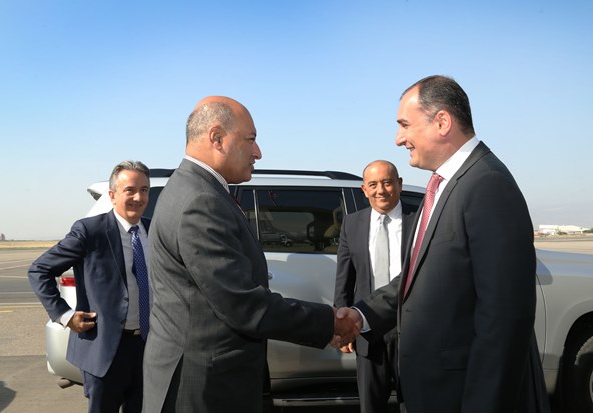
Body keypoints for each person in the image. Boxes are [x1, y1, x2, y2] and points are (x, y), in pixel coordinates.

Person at [340, 75, 549, 412]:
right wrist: (361, 315)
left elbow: (504, 318)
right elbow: (416, 281)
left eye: (404, 125)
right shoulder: (444, 186)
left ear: (441, 122)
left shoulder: (487, 184)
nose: (398, 139)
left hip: (463, 395)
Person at [142, 96, 359, 413]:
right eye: (251, 139)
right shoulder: (201, 200)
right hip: (204, 386)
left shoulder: (196, 189)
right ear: (217, 137)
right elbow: (242, 304)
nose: (258, 152)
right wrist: (330, 323)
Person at [29, 160, 151, 413]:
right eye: (130, 190)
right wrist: (65, 315)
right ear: (112, 195)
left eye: (144, 190)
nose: (138, 198)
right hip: (105, 350)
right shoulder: (90, 231)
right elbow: (39, 270)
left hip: (148, 347)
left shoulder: (155, 229)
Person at [333, 160, 416, 413]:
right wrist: (341, 328)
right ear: (364, 189)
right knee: (371, 406)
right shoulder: (352, 223)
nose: (380, 190)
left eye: (387, 182)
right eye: (373, 184)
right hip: (367, 330)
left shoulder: (420, 219)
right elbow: (344, 279)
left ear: (399, 184)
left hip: (411, 330)